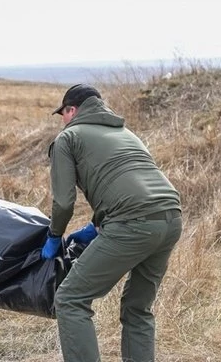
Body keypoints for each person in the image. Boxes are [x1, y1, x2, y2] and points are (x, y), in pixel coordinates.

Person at [40, 84, 182, 362]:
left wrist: (54, 236)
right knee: (137, 308)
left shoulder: (68, 137)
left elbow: (64, 202)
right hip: (171, 218)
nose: (63, 121)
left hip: (132, 223)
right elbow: (128, 181)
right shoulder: (125, 133)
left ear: (72, 110)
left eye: (63, 114)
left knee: (70, 299)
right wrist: (94, 227)